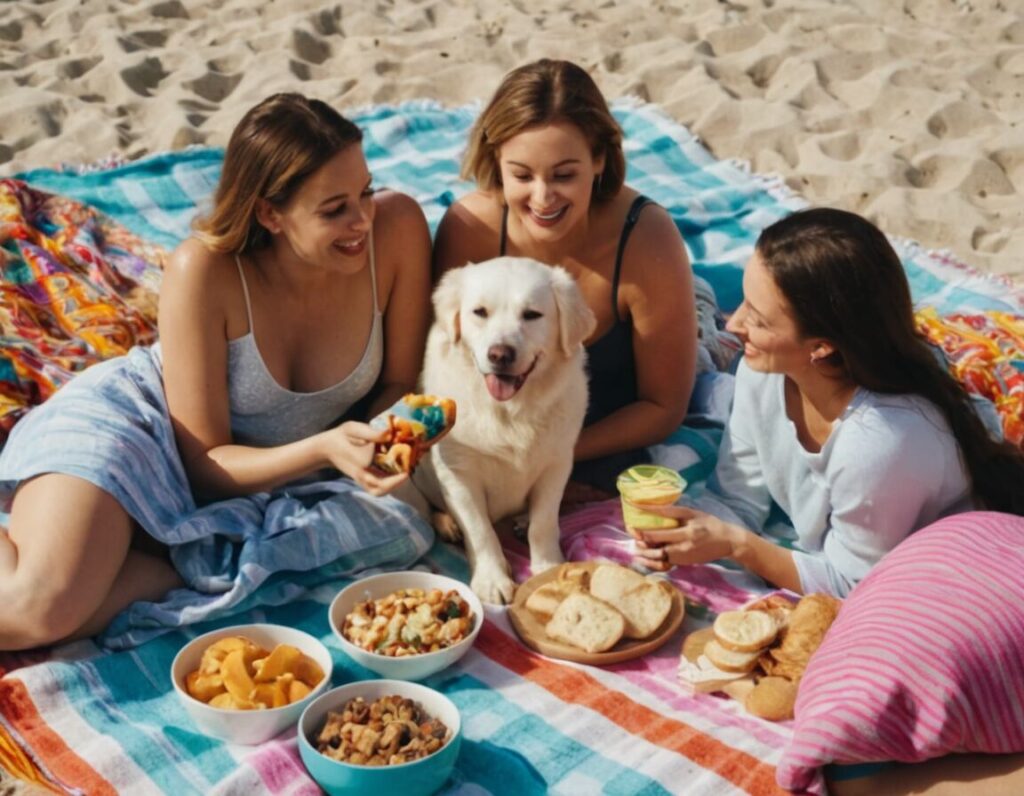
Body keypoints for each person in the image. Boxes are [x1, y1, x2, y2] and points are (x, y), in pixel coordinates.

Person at [0, 93, 433, 650]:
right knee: (35, 611)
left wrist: (380, 437)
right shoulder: (205, 270)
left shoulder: (396, 229)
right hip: (139, 432)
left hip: (248, 488)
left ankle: (136, 557)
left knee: (113, 593)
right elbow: (204, 462)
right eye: (334, 210)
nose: (361, 221)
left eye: (366, 191)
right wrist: (325, 448)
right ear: (269, 213)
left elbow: (398, 384)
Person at [632, 208, 1024, 596]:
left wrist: (737, 546)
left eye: (758, 318)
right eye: (745, 302)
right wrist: (679, 532)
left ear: (820, 346)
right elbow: (737, 499)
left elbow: (854, 585)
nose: (733, 325)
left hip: (959, 571)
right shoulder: (762, 371)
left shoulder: (881, 441)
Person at [433, 58, 703, 495]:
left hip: (599, 430)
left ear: (598, 160)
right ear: (496, 160)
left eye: (564, 175)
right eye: (521, 175)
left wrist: (550, 456)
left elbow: (664, 405)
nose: (542, 198)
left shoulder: (646, 239)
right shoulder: (471, 229)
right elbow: (438, 367)